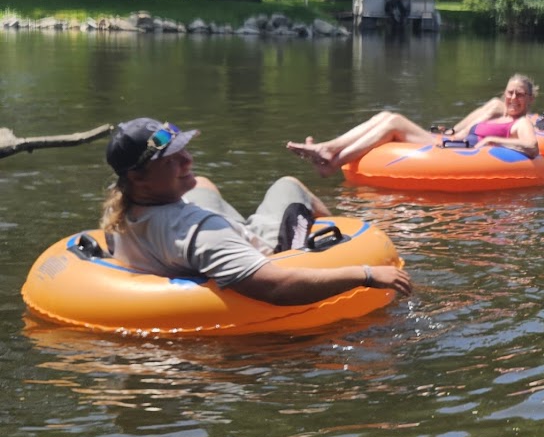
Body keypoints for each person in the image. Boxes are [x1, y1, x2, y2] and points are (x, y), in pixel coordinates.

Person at [102, 119, 412, 303]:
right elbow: (276, 287)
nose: (188, 161)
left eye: (183, 150)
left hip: (187, 244)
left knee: (203, 184)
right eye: (172, 160)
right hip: (260, 251)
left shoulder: (123, 212)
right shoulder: (200, 232)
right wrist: (366, 273)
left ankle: (243, 224)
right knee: (290, 186)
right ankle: (326, 239)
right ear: (138, 177)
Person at [287, 74, 541, 173]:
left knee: (393, 122)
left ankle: (332, 160)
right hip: (450, 141)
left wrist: (493, 140)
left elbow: (532, 147)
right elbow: (486, 110)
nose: (512, 98)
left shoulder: (520, 123)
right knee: (385, 116)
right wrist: (452, 131)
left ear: (529, 99)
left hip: (454, 151)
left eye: (519, 95)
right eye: (509, 92)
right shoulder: (498, 110)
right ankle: (328, 149)